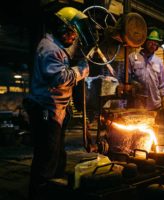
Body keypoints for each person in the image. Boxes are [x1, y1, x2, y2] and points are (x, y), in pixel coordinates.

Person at [23, 7, 92, 200]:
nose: (73, 37)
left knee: (57, 158)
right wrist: (81, 70)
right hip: (45, 111)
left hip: (55, 110)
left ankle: (53, 191)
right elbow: (60, 78)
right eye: (71, 33)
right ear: (62, 28)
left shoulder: (56, 47)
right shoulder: (50, 49)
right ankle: (39, 193)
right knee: (46, 159)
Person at [128, 27, 164, 113]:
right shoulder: (132, 57)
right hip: (137, 104)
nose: (153, 45)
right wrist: (133, 84)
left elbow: (163, 84)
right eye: (151, 42)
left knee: (154, 126)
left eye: (156, 43)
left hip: (155, 104)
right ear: (144, 42)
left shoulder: (159, 61)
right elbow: (126, 78)